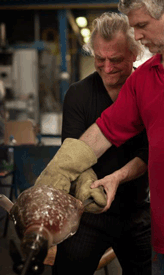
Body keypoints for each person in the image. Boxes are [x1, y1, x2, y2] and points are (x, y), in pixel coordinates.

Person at [36, 12, 151, 275]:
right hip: (88, 213)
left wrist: (117, 178)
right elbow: (74, 151)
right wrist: (88, 186)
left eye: (116, 59)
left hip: (136, 209)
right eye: (100, 59)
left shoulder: (146, 89)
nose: (107, 68)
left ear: (135, 54)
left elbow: (149, 152)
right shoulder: (78, 94)